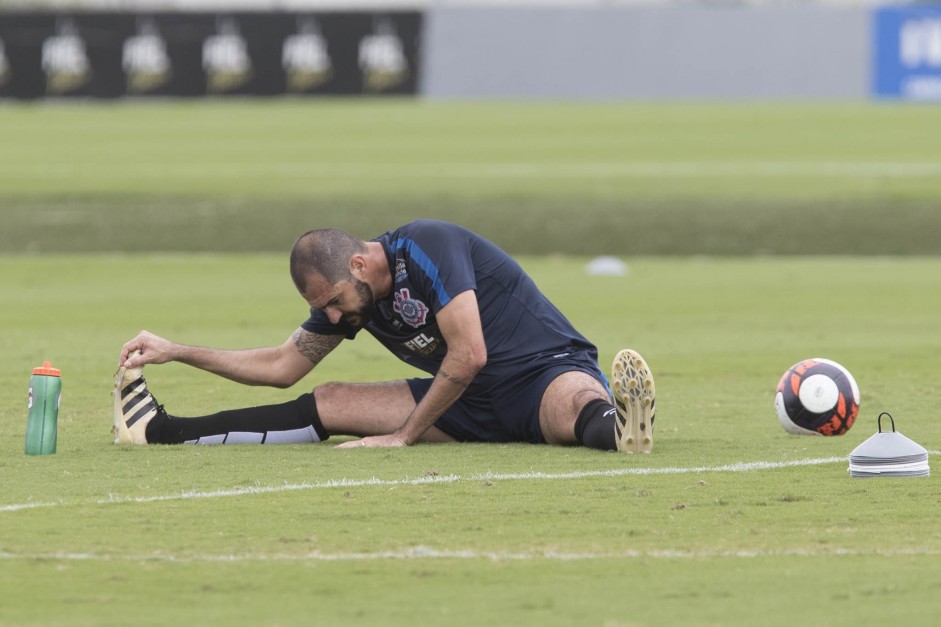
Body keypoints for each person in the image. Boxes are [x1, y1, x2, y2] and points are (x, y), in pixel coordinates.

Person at [113, 219, 656, 452]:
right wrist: (176, 351)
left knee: (574, 406)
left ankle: (621, 426)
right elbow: (281, 368)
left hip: (539, 373)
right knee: (329, 400)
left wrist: (404, 435)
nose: (328, 318)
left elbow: (468, 355)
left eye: (331, 303)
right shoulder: (349, 302)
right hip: (463, 401)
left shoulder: (427, 246)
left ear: (357, 264)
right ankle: (159, 431)